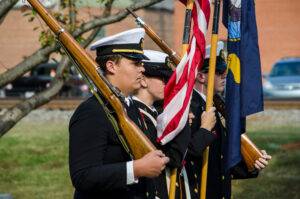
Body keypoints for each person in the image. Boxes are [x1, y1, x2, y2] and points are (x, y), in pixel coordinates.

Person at [69, 28, 169, 199]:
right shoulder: (92, 111)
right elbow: (83, 176)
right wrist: (136, 169)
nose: (142, 69)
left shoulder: (130, 107)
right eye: (135, 63)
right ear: (111, 66)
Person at [185, 42, 272, 199]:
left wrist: (251, 164)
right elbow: (187, 155)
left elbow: (221, 158)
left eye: (224, 70)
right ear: (200, 76)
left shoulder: (213, 105)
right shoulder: (191, 108)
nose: (225, 75)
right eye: (219, 71)